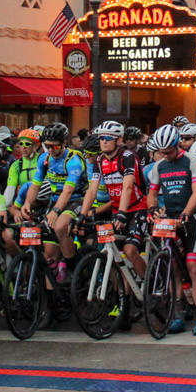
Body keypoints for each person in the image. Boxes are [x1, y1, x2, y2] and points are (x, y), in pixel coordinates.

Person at [146, 125, 196, 335]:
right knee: (173, 268)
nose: (165, 156)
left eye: (169, 152)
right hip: (170, 219)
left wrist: (186, 213)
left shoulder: (193, 161)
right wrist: (152, 209)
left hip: (192, 218)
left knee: (193, 267)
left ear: (177, 145)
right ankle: (178, 316)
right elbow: (152, 193)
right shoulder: (159, 167)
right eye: (161, 153)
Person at [15, 123, 86, 281]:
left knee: (60, 226)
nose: (51, 151)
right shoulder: (44, 158)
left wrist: (55, 211)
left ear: (64, 143)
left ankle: (73, 269)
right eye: (48, 146)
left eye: (55, 147)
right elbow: (36, 185)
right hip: (55, 200)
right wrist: (27, 203)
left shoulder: (73, 160)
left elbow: (68, 190)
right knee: (49, 254)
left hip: (75, 199)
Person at [82, 120, 147, 281]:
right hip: (118, 211)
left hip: (136, 208)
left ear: (119, 140)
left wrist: (122, 213)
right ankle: (124, 299)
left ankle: (151, 284)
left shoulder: (128, 157)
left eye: (108, 138)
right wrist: (82, 215)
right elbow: (92, 189)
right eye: (101, 137)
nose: (104, 141)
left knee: (130, 250)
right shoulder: (99, 161)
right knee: (116, 258)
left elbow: (128, 187)